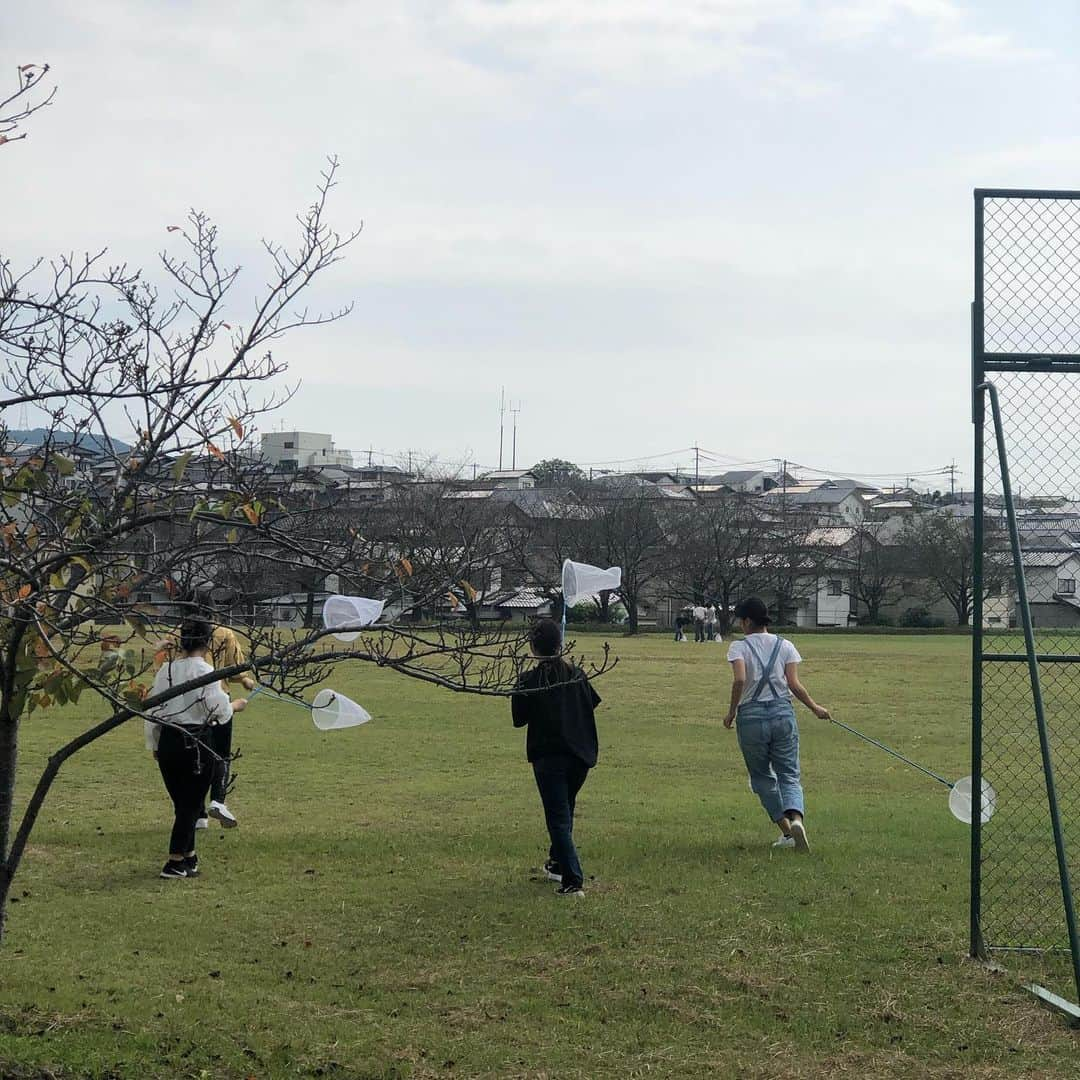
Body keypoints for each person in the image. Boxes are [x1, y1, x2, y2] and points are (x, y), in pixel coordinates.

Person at [722, 597, 830, 853]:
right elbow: (794, 685)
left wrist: (730, 713)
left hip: (751, 718)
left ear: (747, 621)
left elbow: (739, 680)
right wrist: (816, 708)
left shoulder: (738, 647)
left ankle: (786, 831)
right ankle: (797, 821)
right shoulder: (786, 646)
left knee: (761, 777)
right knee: (789, 774)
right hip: (783, 714)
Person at [146, 618, 248, 879]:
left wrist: (154, 743)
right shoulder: (204, 671)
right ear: (206, 642)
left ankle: (189, 857)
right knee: (190, 805)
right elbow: (218, 710)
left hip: (168, 740)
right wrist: (234, 706)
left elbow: (153, 709)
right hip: (197, 741)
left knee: (183, 803)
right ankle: (174, 861)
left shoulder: (166, 670)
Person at [511, 618, 601, 898]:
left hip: (550, 760)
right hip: (580, 756)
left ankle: (573, 880)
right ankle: (557, 863)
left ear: (533, 647)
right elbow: (592, 703)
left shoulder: (531, 681)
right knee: (566, 809)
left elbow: (518, 719)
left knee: (558, 819)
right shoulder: (577, 675)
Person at [156, 621, 255, 829]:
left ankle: (198, 814)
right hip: (216, 700)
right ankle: (218, 800)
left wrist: (154, 743)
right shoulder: (224, 634)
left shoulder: (175, 633)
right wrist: (240, 690)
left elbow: (161, 672)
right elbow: (234, 667)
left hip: (179, 706)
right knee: (219, 754)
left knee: (194, 762)